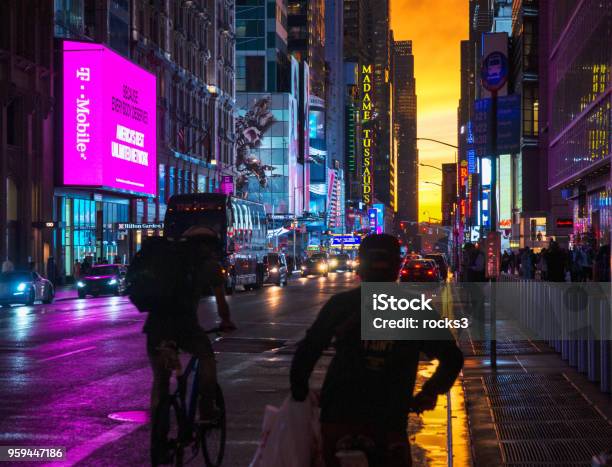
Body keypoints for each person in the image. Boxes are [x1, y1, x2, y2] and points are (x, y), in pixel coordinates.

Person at [290, 234, 463, 467]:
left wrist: (300, 391)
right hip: (389, 419)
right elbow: (452, 358)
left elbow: (308, 351)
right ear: (398, 266)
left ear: (361, 265)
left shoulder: (340, 305)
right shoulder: (415, 309)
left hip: (338, 414)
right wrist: (429, 393)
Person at [143, 227, 236, 463]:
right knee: (206, 356)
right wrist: (225, 321)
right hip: (185, 327)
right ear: (209, 245)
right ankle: (206, 408)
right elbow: (221, 302)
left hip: (155, 327)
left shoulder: (167, 259)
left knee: (160, 383)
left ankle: (158, 437)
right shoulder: (209, 266)